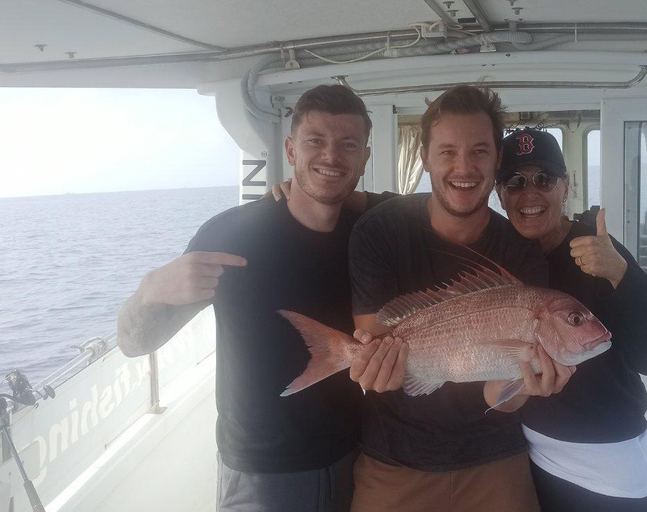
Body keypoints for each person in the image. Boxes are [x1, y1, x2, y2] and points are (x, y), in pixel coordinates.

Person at [117, 84, 394, 512]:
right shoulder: (231, 234)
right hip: (261, 474)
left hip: (354, 457)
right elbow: (135, 344)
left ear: (364, 159)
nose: (331, 156)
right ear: (290, 149)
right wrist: (150, 290)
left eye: (348, 145)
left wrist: (350, 195)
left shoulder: (370, 231)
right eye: (315, 142)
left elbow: (429, 208)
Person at [345, 86, 574, 512]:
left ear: (496, 161)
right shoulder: (379, 231)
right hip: (394, 461)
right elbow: (373, 338)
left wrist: (528, 384)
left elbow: (495, 397)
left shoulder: (520, 252)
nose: (464, 167)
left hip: (495, 460)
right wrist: (366, 365)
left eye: (480, 151)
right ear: (425, 158)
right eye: (447, 151)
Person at [490, 127, 647, 511]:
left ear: (566, 186)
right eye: (515, 181)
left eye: (544, 179)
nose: (530, 193)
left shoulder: (599, 249)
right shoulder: (501, 257)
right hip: (529, 453)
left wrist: (622, 275)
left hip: (609, 463)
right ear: (499, 193)